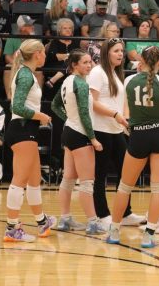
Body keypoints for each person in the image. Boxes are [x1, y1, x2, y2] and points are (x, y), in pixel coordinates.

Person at [106, 46, 159, 248]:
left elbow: (123, 114)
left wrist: (129, 129)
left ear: (141, 61)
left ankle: (114, 232)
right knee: (158, 189)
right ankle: (149, 235)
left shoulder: (128, 81)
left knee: (124, 187)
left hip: (138, 136)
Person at [88, 38, 146, 229]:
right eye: (116, 51)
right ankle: (102, 214)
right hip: (101, 129)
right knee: (100, 175)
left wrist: (126, 121)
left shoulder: (115, 73)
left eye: (122, 51)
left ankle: (126, 213)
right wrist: (115, 114)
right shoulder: (97, 72)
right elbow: (92, 103)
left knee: (126, 172)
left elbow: (121, 102)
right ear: (106, 53)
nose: (121, 54)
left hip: (116, 130)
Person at [3, 39, 56, 242]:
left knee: (34, 180)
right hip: (23, 131)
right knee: (19, 181)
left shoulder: (26, 73)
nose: (45, 56)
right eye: (43, 53)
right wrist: (40, 115)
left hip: (25, 131)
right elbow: (16, 107)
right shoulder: (25, 75)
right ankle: (11, 228)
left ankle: (42, 222)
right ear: (37, 54)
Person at [51, 49, 106, 234]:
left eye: (90, 62)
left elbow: (54, 105)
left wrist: (68, 118)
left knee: (68, 180)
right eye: (85, 62)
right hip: (80, 134)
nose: (89, 65)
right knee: (86, 182)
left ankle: (65, 220)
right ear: (74, 65)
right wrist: (93, 138)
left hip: (68, 132)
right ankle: (92, 222)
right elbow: (84, 114)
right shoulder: (81, 84)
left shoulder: (67, 81)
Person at [3, 15, 44, 98]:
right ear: (22, 28)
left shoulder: (36, 39)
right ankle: (9, 96)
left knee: (39, 71)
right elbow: (7, 57)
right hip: (17, 64)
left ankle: (37, 97)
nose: (32, 27)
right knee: (7, 69)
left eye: (32, 25)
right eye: (29, 25)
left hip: (32, 65)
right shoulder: (12, 38)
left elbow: (41, 57)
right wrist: (17, 64)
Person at [44, 18, 80, 90]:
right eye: (65, 28)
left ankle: (53, 80)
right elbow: (52, 57)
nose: (68, 30)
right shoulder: (55, 42)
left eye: (70, 28)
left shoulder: (75, 42)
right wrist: (69, 56)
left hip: (72, 69)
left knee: (71, 60)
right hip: (55, 67)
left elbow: (79, 56)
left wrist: (63, 56)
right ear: (59, 30)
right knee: (71, 59)